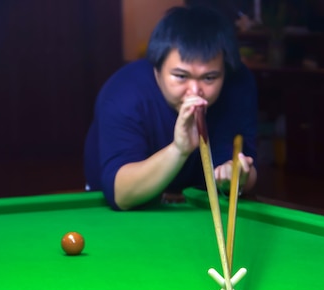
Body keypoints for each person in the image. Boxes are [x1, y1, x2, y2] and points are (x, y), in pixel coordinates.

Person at [84, 5, 258, 211]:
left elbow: (246, 172)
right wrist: (179, 149)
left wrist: (235, 176)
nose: (194, 92)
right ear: (156, 70)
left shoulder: (238, 84)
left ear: (225, 72)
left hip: (197, 208)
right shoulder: (124, 92)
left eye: (209, 78)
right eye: (181, 76)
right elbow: (121, 194)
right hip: (123, 210)